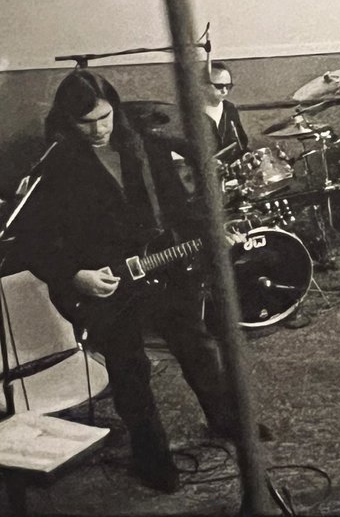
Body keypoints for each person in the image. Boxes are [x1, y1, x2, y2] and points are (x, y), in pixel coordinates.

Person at [20, 70, 245, 492]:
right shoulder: (55, 166)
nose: (98, 129)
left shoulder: (149, 149)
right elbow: (34, 239)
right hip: (104, 283)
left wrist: (214, 233)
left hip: (161, 270)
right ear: (66, 121)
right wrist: (73, 276)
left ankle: (227, 421)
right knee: (129, 370)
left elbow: (179, 210)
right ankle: (152, 457)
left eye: (104, 117)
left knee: (197, 347)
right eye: (85, 122)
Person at [202, 61, 248, 161]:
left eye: (228, 86)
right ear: (203, 85)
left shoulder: (229, 109)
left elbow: (242, 143)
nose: (224, 91)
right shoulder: (192, 112)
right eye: (219, 86)